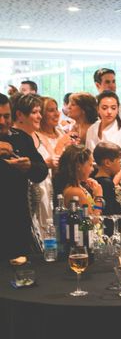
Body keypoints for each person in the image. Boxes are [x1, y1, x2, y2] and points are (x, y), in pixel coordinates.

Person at [0, 93, 48, 260]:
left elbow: (42, 171)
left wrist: (29, 167)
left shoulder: (21, 138)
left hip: (17, 220)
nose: (2, 122)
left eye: (6, 116)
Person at [35, 96, 75, 236]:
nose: (57, 113)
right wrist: (61, 145)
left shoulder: (60, 132)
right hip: (49, 184)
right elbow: (52, 161)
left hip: (66, 181)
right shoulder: (37, 136)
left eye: (56, 109)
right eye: (51, 110)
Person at [85, 90, 121, 169]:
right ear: (98, 109)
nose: (109, 112)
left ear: (118, 109)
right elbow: (88, 157)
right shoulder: (92, 129)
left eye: (113, 108)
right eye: (104, 108)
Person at [53, 145, 104, 216]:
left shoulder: (79, 187)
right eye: (90, 165)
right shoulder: (75, 191)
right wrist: (99, 197)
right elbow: (93, 221)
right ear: (78, 165)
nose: (92, 169)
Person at [93, 142, 121, 234]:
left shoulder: (95, 180)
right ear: (107, 163)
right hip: (108, 230)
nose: (120, 165)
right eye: (119, 161)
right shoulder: (107, 184)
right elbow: (110, 211)